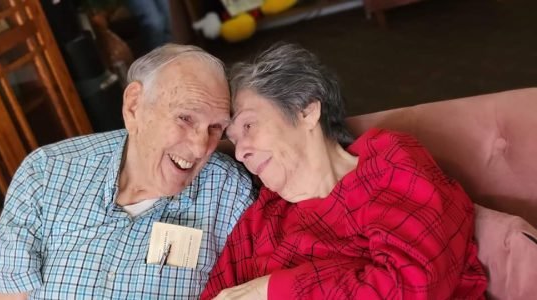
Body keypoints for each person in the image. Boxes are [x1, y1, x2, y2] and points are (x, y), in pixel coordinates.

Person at [201, 43, 488, 299]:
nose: (239, 152)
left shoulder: (388, 164)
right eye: (235, 140)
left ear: (306, 111)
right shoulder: (262, 217)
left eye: (249, 126)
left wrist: (270, 289)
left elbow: (411, 286)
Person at [0, 44, 255, 299]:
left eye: (215, 128)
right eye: (185, 118)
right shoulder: (47, 172)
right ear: (134, 106)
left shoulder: (228, 192)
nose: (199, 147)